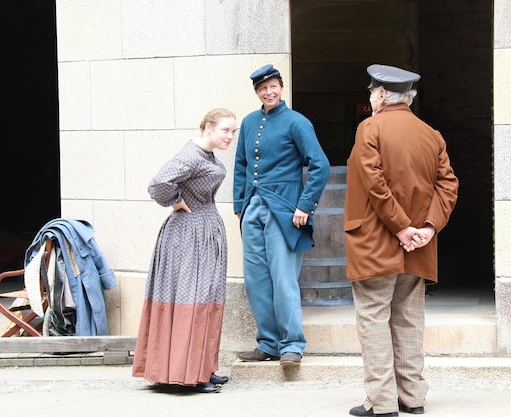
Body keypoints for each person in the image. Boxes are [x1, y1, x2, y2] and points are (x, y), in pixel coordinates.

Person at [343, 64, 459, 417]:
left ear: (380, 94)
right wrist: (426, 228)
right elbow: (448, 185)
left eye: (371, 93)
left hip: (377, 241)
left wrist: (400, 227)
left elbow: (374, 183)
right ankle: (413, 398)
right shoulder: (431, 134)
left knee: (374, 317)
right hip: (418, 245)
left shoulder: (370, 128)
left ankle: (381, 403)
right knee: (409, 318)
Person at [132, 108, 237, 393]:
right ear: (208, 127)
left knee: (207, 298)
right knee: (193, 298)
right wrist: (175, 201)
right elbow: (158, 184)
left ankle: (202, 367)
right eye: (225, 130)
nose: (230, 136)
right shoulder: (191, 155)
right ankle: (188, 373)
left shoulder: (207, 156)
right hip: (189, 235)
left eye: (233, 131)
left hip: (203, 232)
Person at [233, 64, 330, 367]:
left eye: (273, 86)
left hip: (284, 210)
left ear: (281, 87)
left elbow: (320, 166)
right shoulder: (249, 123)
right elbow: (241, 166)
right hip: (253, 208)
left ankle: (292, 345)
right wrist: (240, 205)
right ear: (257, 92)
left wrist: (304, 205)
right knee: (255, 280)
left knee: (283, 278)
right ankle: (269, 343)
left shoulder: (297, 122)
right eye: (263, 88)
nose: (268, 92)